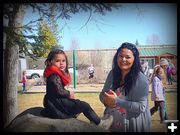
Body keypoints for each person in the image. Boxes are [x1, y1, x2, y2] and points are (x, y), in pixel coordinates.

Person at [41, 49, 113, 130]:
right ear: (51, 62)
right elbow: (59, 91)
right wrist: (69, 93)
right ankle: (100, 124)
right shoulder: (54, 75)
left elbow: (56, 90)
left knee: (77, 103)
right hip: (58, 103)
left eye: (63, 60)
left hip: (54, 101)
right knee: (84, 105)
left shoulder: (52, 73)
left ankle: (84, 118)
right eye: (57, 61)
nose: (61, 63)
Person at [99, 42, 151, 132]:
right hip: (113, 122)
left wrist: (117, 101)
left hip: (133, 124)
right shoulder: (112, 74)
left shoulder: (141, 79)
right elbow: (103, 94)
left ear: (135, 59)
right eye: (120, 56)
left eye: (128, 57)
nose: (123, 59)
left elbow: (141, 107)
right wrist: (105, 100)